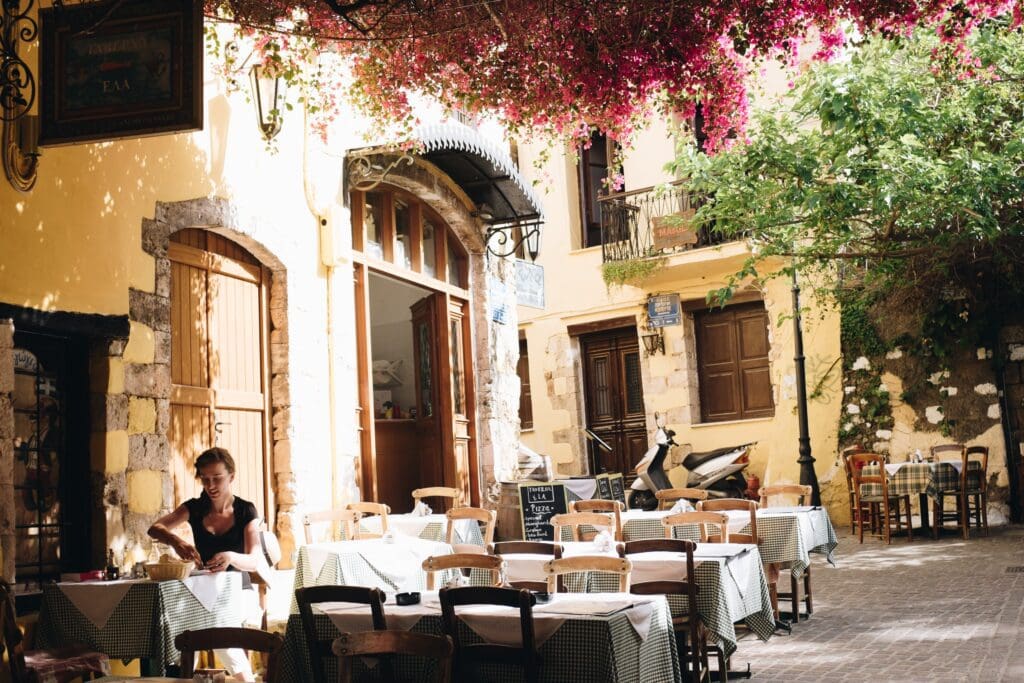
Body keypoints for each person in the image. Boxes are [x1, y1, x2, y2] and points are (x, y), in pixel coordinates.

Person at [148, 447, 262, 680]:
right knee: (181, 630)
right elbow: (154, 529)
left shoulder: (245, 510)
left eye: (217, 478)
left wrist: (231, 556)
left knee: (217, 632)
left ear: (231, 476)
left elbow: (255, 560)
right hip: (202, 592)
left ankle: (244, 680)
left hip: (238, 590)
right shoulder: (195, 507)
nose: (211, 485)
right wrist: (175, 540)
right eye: (205, 479)